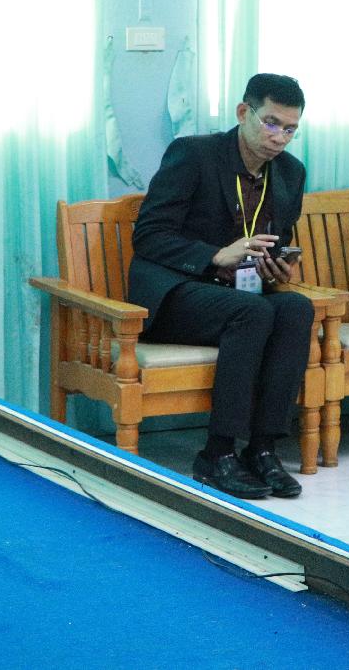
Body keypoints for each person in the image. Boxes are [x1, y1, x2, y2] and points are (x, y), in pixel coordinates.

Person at [129, 73, 312, 500]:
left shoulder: (290, 173)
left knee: (296, 309)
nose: (279, 137)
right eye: (271, 123)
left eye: (290, 129)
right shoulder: (195, 154)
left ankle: (263, 449)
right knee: (253, 312)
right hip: (176, 292)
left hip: (238, 295)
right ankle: (217, 453)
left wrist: (274, 266)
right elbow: (149, 235)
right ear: (243, 112)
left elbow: (275, 238)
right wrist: (215, 255)